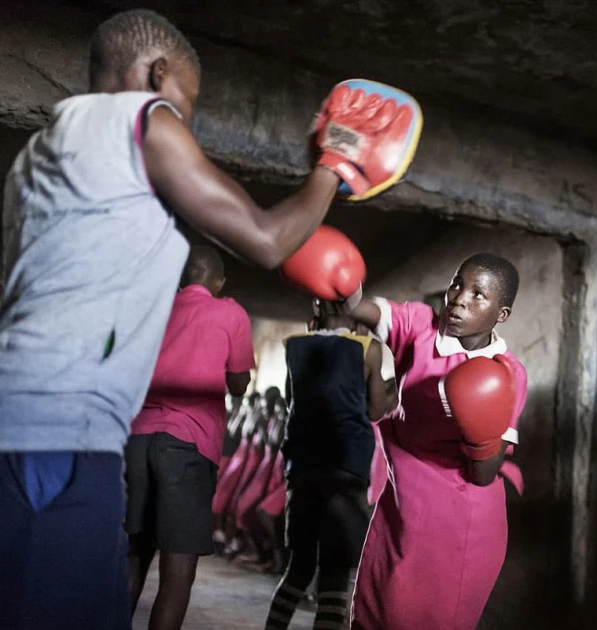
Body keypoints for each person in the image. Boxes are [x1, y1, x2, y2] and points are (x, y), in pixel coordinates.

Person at [0, 8, 418, 628]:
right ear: (158, 74)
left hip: (30, 417)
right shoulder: (143, 118)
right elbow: (267, 239)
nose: (184, 123)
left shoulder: (40, 156)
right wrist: (337, 162)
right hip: (58, 427)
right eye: (187, 104)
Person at [347, 253, 528, 630]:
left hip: (460, 520)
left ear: (501, 314)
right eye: (458, 283)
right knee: (372, 615)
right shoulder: (421, 327)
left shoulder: (508, 374)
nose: (460, 297)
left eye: (479, 294)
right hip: (401, 505)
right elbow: (369, 311)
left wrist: (479, 416)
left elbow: (483, 475)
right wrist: (341, 284)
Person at [123, 245, 254, 629]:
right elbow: (240, 384)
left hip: (136, 441)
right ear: (219, 281)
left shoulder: (154, 308)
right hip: (188, 446)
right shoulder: (230, 312)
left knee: (131, 561)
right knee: (177, 572)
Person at [265, 300, 390, 630]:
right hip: (345, 466)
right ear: (355, 309)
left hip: (303, 467)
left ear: (316, 308)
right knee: (334, 574)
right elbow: (376, 410)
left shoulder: (295, 346)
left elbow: (294, 404)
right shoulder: (368, 349)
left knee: (299, 567)